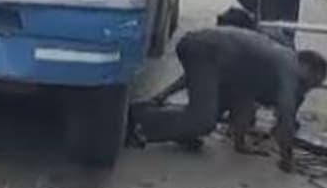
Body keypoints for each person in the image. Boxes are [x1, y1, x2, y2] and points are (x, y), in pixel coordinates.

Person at [130, 26, 327, 172]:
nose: (311, 87)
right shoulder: (289, 67)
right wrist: (287, 160)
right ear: (307, 66)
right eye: (315, 80)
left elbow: (243, 100)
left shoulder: (266, 68)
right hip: (203, 50)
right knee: (202, 120)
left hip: (208, 53)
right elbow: (286, 116)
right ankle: (136, 122)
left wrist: (241, 144)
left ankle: (177, 129)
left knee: (209, 112)